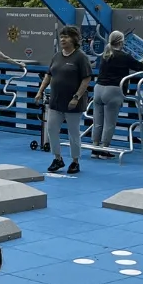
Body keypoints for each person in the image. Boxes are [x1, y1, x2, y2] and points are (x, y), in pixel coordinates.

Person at [35, 25, 92, 174]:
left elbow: (86, 79)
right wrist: (40, 91)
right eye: (61, 37)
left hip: (73, 103)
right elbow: (48, 75)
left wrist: (76, 97)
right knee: (52, 129)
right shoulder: (57, 56)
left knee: (73, 132)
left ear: (74, 39)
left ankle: (75, 161)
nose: (63, 39)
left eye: (66, 37)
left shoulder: (80, 57)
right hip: (56, 101)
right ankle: (57, 158)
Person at [91, 31, 143, 157]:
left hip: (98, 88)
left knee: (97, 121)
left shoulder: (105, 54)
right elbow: (140, 67)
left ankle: (94, 148)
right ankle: (104, 149)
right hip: (113, 90)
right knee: (109, 122)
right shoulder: (124, 56)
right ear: (121, 42)